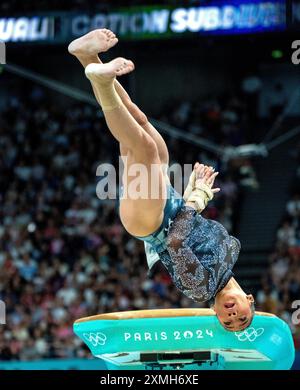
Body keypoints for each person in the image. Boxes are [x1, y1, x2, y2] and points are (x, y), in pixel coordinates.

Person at [68, 29, 255, 332]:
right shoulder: (231, 256)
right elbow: (190, 227)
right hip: (169, 204)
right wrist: (192, 193)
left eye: (227, 322)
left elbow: (175, 239)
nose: (232, 315)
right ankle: (86, 56)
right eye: (242, 317)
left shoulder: (201, 289)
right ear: (250, 299)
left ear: (217, 315)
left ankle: (100, 80)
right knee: (141, 126)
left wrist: (198, 197)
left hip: (150, 224)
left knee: (144, 148)